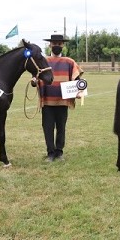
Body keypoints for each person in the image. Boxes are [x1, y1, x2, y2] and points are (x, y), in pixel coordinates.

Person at [35, 34, 84, 162]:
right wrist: (34, 81)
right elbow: (37, 77)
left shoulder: (69, 62)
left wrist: (79, 91)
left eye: (59, 44)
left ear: (63, 45)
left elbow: (77, 79)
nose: (57, 46)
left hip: (63, 102)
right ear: (50, 45)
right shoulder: (44, 61)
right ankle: (50, 153)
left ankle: (59, 152)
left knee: (61, 127)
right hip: (47, 102)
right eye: (54, 43)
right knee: (48, 127)